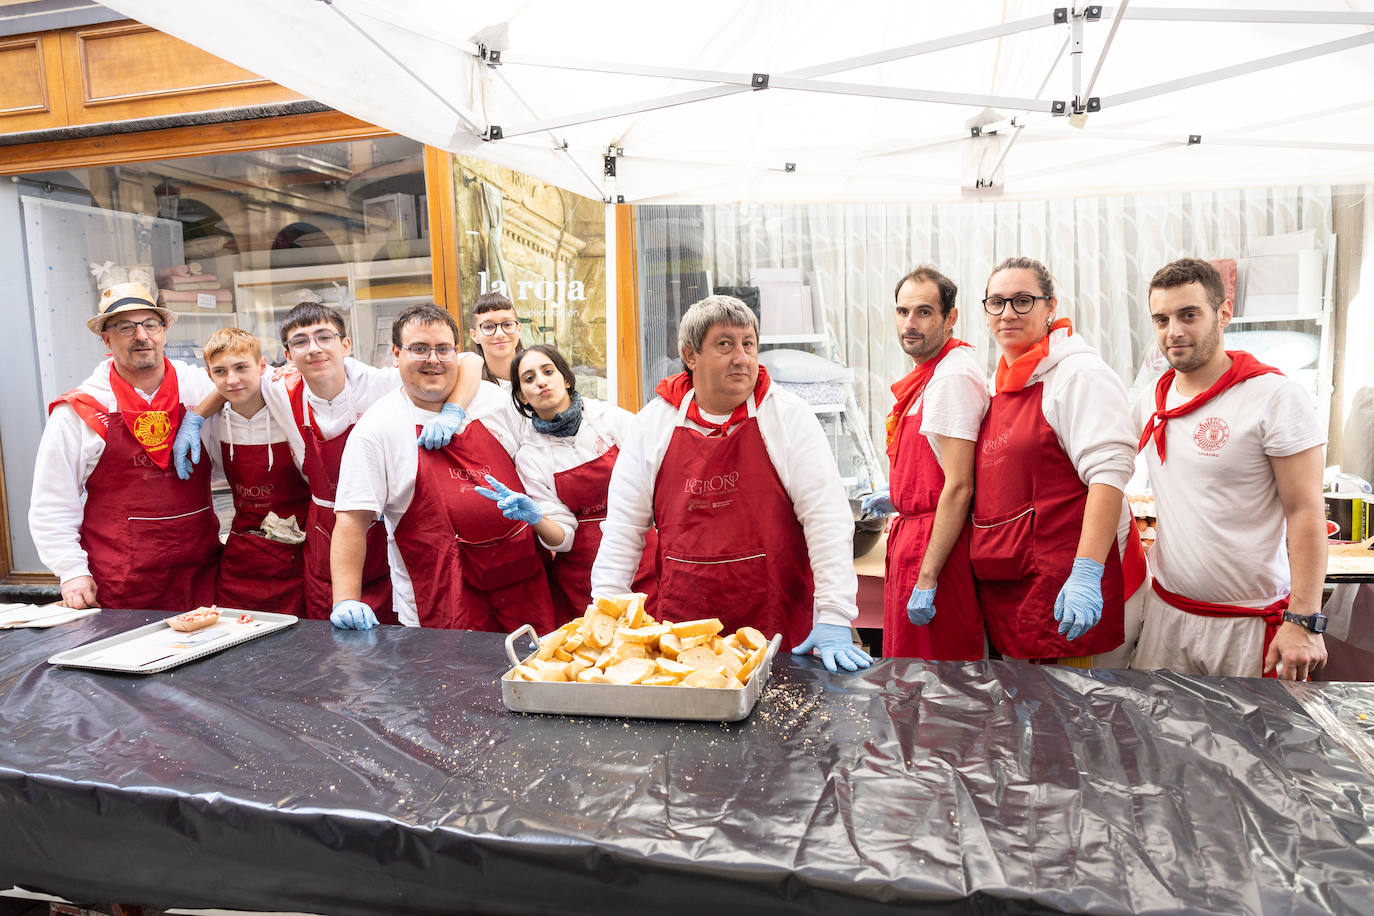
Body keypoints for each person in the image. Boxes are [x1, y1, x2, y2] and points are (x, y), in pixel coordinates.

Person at [591, 295, 872, 673]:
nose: (742, 357)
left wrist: (835, 614)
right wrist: (605, 612)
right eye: (725, 344)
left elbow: (826, 520)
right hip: (681, 634)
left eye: (749, 344)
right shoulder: (652, 425)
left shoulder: (789, 418)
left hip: (778, 629)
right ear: (691, 356)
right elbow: (624, 530)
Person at [177, 302, 479, 623]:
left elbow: (470, 361)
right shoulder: (280, 386)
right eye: (301, 342)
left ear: (345, 344)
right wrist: (195, 418)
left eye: (325, 337)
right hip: (324, 527)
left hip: (382, 522)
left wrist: (454, 411)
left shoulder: (378, 383)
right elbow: (233, 382)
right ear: (288, 354)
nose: (314, 349)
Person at [1131, 258, 1327, 680]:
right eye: (1161, 319)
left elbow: (1306, 511)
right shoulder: (1151, 398)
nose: (1174, 331)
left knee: (1251, 747)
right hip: (1167, 617)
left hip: (1247, 625)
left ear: (1223, 314)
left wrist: (1304, 620)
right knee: (1160, 744)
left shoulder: (1274, 396)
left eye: (1189, 315)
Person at [331, 304, 555, 631]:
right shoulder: (377, 429)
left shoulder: (496, 402)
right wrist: (345, 599)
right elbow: (352, 520)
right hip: (440, 605)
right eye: (419, 349)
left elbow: (544, 471)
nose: (433, 360)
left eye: (443, 349)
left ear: (457, 352)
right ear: (396, 354)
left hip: (525, 590)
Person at [970, 257, 1146, 666]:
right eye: (996, 302)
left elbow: (1109, 476)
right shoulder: (998, 383)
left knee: (1083, 719)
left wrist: (1086, 573)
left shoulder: (1079, 375)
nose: (1008, 313)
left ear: (1051, 307)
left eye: (1023, 300)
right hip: (1019, 584)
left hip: (1077, 584)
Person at [30, 282, 220, 611]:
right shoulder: (81, 409)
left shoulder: (200, 387)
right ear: (105, 338)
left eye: (150, 324)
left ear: (163, 331)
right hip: (122, 579)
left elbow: (257, 384)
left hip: (202, 570)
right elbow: (53, 501)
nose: (141, 336)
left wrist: (201, 412)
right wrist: (71, 571)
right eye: (125, 327)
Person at [481, 344, 658, 626]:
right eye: (528, 379)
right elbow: (563, 539)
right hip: (581, 579)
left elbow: (654, 473)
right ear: (522, 398)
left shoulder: (610, 419)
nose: (540, 381)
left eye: (548, 371)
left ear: (564, 379)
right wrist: (538, 519)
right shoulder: (531, 455)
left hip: (643, 556)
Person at [863, 267, 988, 660]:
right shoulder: (930, 374)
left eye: (924, 312)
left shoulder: (952, 377)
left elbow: (960, 486)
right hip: (915, 537)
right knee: (910, 680)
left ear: (951, 317)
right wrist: (900, 496)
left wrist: (929, 576)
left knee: (938, 687)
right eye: (902, 312)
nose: (909, 324)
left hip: (936, 550)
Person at [199, 327, 311, 615]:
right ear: (209, 376)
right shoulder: (213, 423)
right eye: (220, 371)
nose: (232, 379)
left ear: (262, 366)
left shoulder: (290, 410)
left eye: (241, 367)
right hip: (243, 556)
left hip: (297, 552)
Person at [468, 291, 524, 389]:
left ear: (519, 329)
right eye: (488, 326)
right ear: (474, 335)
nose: (499, 334)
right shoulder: (469, 384)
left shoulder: (538, 374)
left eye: (507, 324)